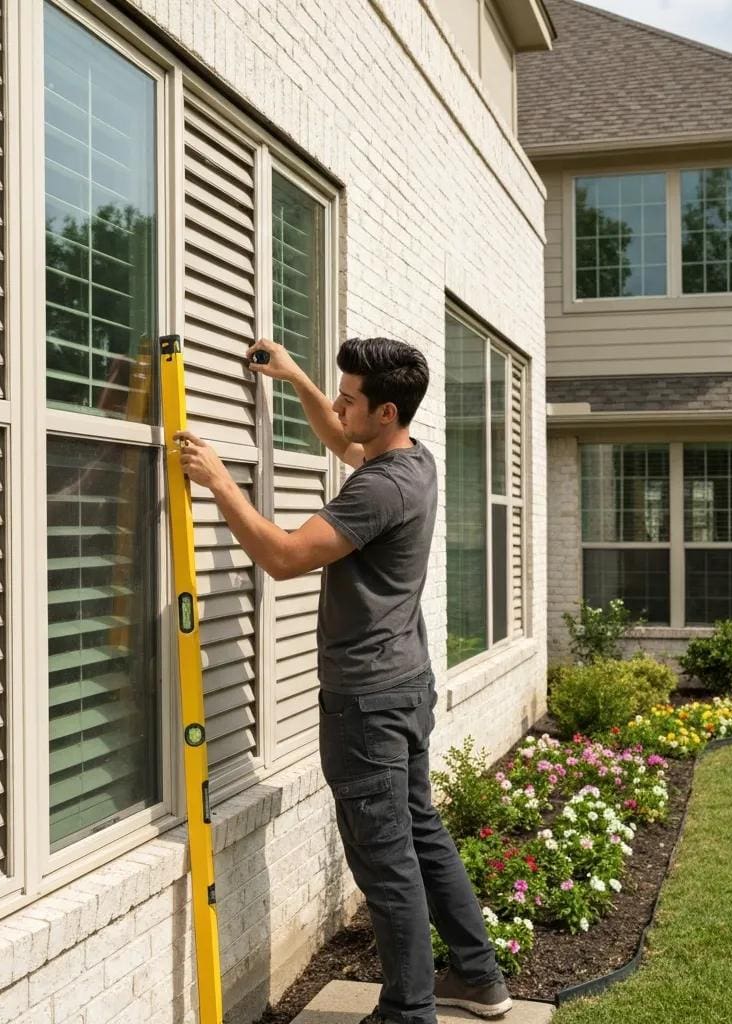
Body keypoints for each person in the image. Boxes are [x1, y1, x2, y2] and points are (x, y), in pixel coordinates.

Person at [174, 336, 512, 1024]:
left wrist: (221, 484)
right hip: (405, 687)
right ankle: (477, 977)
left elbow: (286, 556)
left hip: (367, 702)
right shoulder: (412, 462)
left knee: (385, 860)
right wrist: (297, 375)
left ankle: (407, 1011)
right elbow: (342, 438)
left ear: (385, 412)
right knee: (420, 835)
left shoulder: (381, 488)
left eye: (350, 398)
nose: (338, 406)